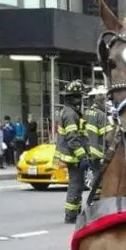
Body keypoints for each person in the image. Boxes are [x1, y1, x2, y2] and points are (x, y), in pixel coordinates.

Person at [53, 80, 90, 224]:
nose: (81, 101)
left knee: (78, 184)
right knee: (75, 185)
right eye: (79, 98)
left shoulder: (71, 112)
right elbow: (72, 138)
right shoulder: (70, 115)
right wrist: (82, 156)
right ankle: (71, 215)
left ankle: (74, 212)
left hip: (74, 156)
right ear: (75, 98)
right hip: (73, 157)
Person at [83, 86, 113, 198]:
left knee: (95, 172)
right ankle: (97, 196)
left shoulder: (86, 113)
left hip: (87, 150)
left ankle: (95, 195)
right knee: (100, 175)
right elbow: (108, 136)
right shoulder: (101, 115)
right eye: (105, 100)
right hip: (98, 151)